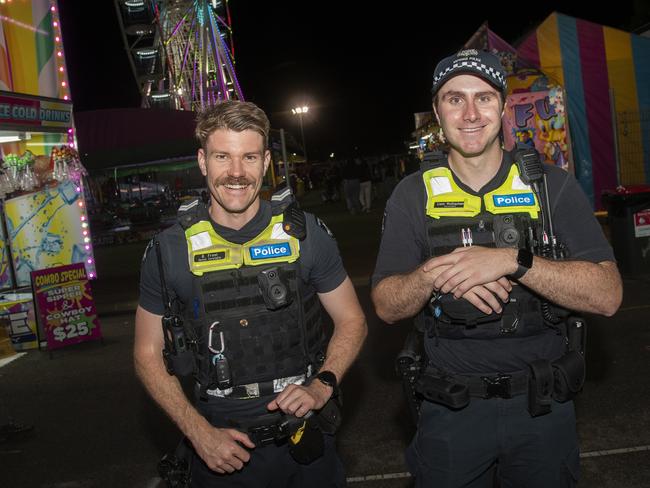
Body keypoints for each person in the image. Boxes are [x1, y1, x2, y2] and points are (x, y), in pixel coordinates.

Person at [371, 49, 622, 488]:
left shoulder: (550, 186)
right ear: (436, 111)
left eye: (484, 98)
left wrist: (514, 261)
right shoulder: (413, 195)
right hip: (451, 412)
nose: (470, 113)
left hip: (541, 409)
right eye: (454, 99)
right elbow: (387, 306)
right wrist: (440, 272)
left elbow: (608, 295)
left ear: (503, 107)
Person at [135, 100, 367, 487]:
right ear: (202, 161)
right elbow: (146, 354)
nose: (237, 173)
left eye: (249, 157)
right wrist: (198, 433)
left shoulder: (305, 234)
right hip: (219, 444)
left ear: (265, 162)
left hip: (305, 439)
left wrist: (322, 384)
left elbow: (352, 320)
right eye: (222, 156)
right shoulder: (168, 250)